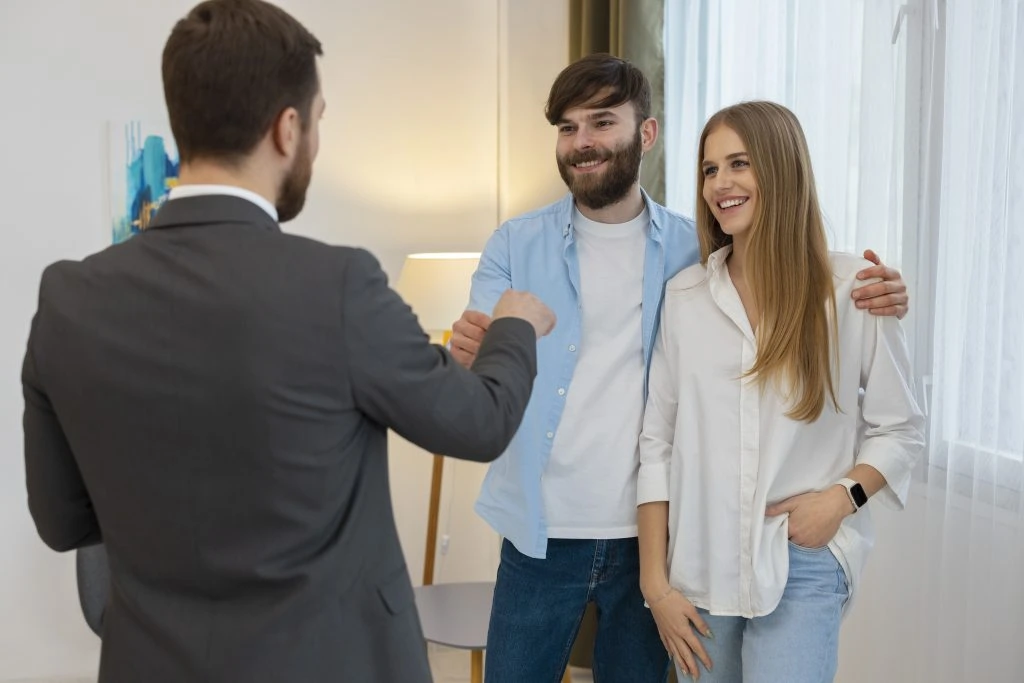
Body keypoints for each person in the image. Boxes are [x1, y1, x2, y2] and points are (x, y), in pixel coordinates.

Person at [21, 1, 555, 682]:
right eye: (320, 121)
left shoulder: (67, 299)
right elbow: (481, 422)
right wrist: (514, 324)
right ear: (288, 127)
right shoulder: (338, 285)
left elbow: (64, 522)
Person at [449, 54, 910, 682]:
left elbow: (789, 258)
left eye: (602, 122)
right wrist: (468, 356)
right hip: (544, 533)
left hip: (659, 544)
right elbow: (480, 363)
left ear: (646, 134)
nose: (582, 142)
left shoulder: (695, 253)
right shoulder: (518, 246)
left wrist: (883, 292)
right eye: (567, 127)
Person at [636, 101, 926, 682]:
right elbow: (656, 445)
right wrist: (655, 584)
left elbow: (903, 427)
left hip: (806, 558)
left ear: (781, 168)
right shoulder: (686, 297)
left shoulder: (851, 289)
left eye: (739, 163)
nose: (721, 183)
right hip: (701, 566)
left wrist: (840, 499)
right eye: (710, 169)